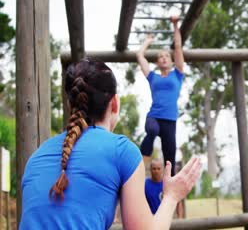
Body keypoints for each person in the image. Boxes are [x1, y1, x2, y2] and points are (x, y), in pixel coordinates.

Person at [20, 59, 201, 230]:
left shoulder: (36, 156)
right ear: (114, 103)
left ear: (70, 104)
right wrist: (171, 196)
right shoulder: (122, 151)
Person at [136, 16, 184, 176]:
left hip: (170, 120)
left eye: (166, 56)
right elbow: (140, 56)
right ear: (157, 63)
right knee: (152, 130)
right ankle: (140, 167)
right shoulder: (153, 77)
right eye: (160, 57)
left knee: (170, 158)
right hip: (154, 117)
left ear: (171, 61)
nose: (163, 58)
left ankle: (172, 196)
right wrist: (148, 41)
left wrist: (175, 25)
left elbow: (178, 46)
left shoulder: (177, 74)